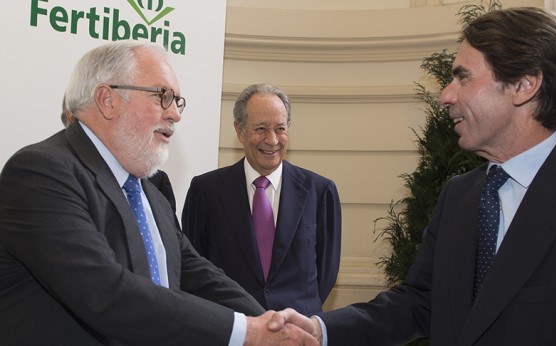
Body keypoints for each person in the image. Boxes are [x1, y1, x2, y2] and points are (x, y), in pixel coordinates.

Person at [270, 7, 556, 345]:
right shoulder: (459, 195)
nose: (445, 96)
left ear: (525, 84)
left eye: (462, 77)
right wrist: (319, 330)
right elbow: (418, 303)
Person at [0, 41, 318, 345]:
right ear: (107, 100)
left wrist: (271, 322)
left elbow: (195, 272)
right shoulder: (40, 172)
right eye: (162, 96)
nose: (175, 114)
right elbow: (105, 292)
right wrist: (247, 332)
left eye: (177, 101)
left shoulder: (146, 190)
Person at [182, 83, 342, 316]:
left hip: (297, 331)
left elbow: (326, 273)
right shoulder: (206, 191)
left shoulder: (321, 192)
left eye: (280, 128)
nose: (272, 140)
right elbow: (194, 269)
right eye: (260, 128)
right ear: (239, 130)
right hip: (232, 330)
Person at [61, 95, 180, 227]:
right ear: (72, 120)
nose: (175, 115)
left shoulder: (155, 181)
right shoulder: (58, 177)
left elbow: (175, 241)